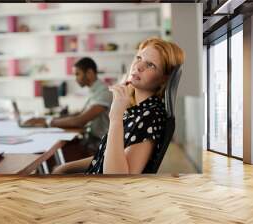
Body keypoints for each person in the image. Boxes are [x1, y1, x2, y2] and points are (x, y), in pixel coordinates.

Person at [53, 37, 185, 174]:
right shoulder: (138, 110)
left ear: (164, 78)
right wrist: (66, 167)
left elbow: (117, 177)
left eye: (151, 65)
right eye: (138, 58)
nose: (138, 66)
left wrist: (116, 116)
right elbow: (106, 156)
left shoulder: (150, 115)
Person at [24, 57, 113, 153]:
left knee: (49, 151)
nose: (75, 79)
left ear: (89, 73)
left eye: (77, 74)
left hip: (98, 144)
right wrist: (52, 118)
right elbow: (80, 114)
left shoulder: (104, 92)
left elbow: (80, 121)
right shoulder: (95, 91)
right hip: (91, 140)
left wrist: (47, 122)